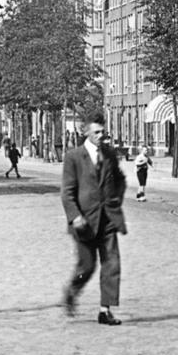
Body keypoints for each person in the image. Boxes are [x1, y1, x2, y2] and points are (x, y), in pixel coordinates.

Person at [61, 113, 127, 325]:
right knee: (86, 267)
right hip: (85, 222)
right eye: (96, 132)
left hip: (107, 219)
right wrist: (75, 216)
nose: (101, 135)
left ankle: (104, 310)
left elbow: (120, 179)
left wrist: (115, 201)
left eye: (102, 132)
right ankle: (72, 291)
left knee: (112, 264)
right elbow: (67, 192)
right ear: (86, 132)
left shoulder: (109, 154)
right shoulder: (73, 157)